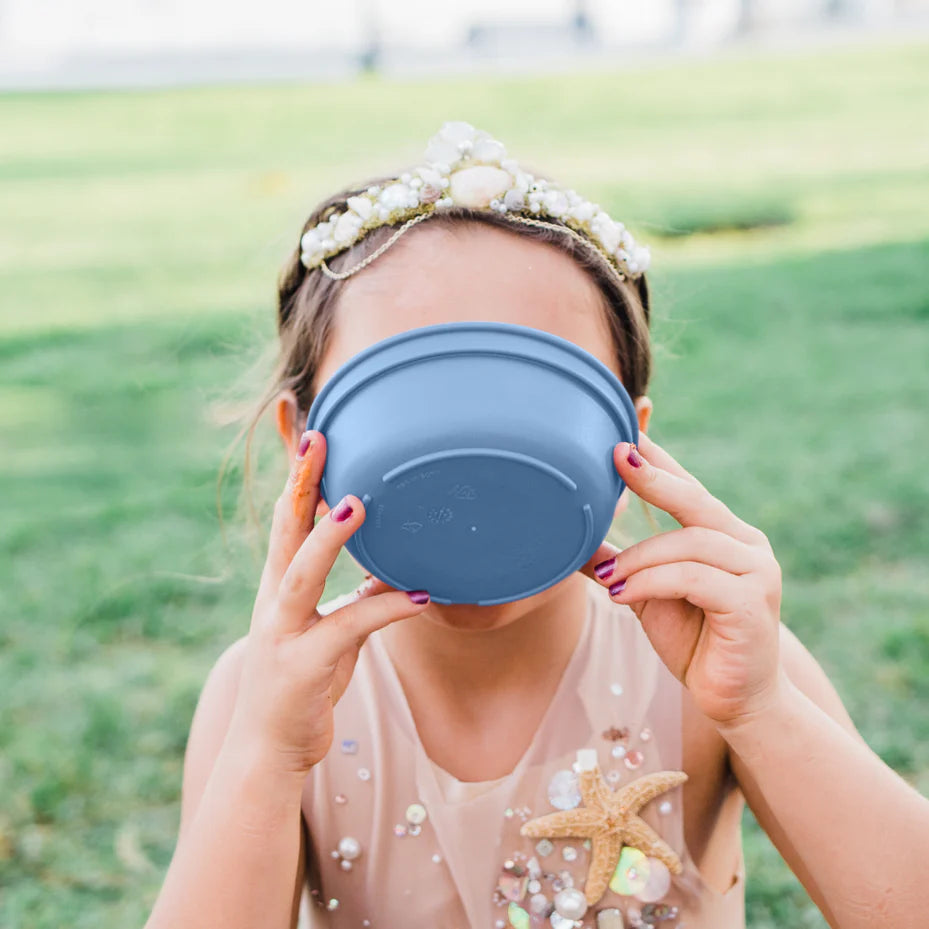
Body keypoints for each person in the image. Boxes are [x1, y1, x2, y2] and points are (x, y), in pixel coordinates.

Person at [143, 122, 929, 929]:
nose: (472, 451)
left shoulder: (718, 668)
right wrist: (269, 754)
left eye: (530, 392)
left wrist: (762, 711)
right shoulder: (264, 696)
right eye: (411, 392)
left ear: (629, 440)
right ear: (301, 442)